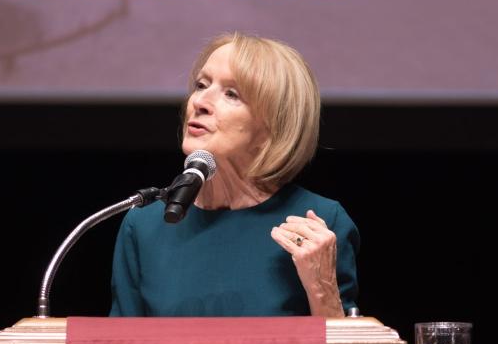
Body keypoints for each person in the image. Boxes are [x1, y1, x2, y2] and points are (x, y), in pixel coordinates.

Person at [110, 32, 359, 317]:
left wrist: (321, 288)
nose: (200, 102)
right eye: (201, 85)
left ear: (272, 127)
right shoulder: (145, 224)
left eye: (231, 94)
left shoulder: (318, 225)